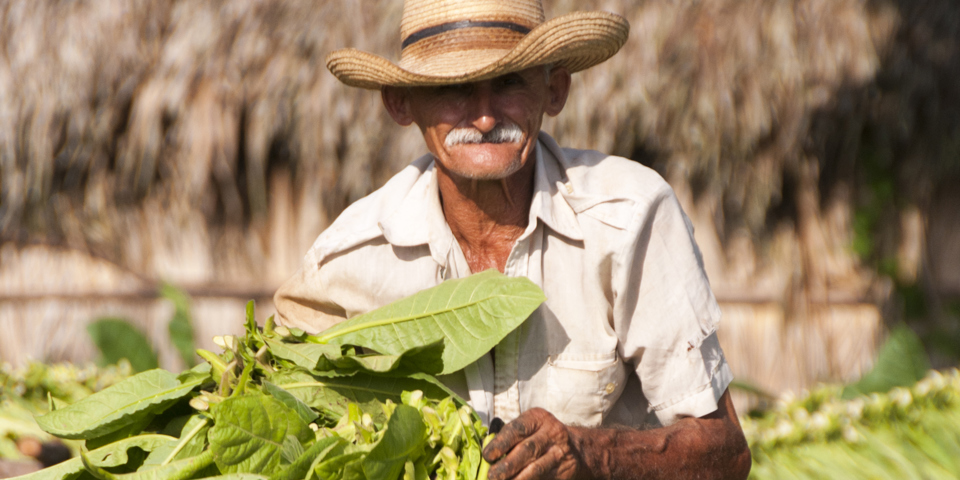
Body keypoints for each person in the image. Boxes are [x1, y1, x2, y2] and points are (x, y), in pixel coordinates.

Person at [274, 0, 751, 478]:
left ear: (554, 89)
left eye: (508, 82)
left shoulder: (629, 220)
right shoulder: (347, 261)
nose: (484, 118)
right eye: (454, 89)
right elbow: (283, 416)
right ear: (402, 104)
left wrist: (590, 455)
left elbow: (726, 451)